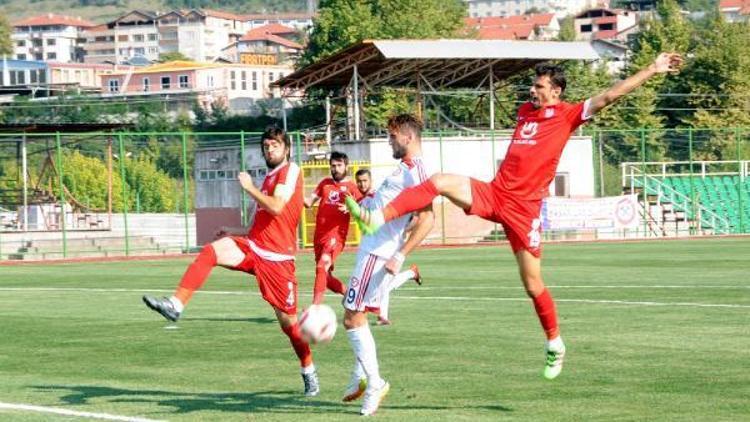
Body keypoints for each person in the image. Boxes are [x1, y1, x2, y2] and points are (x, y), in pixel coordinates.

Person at [347, 53, 684, 380]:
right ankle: (377, 217)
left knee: (532, 284)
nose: (532, 91)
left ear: (556, 91)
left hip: (524, 210)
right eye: (533, 85)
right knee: (438, 182)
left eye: (539, 86)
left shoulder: (568, 115)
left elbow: (610, 95)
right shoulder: (525, 111)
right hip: (496, 193)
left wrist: (653, 69)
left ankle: (555, 342)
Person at [142, 126, 320, 396]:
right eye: (266, 146)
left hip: (278, 260)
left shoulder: (291, 170)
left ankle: (308, 370)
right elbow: (257, 224)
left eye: (274, 145)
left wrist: (248, 187)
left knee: (290, 326)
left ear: (286, 149)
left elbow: (277, 206)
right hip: (254, 247)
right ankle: (176, 305)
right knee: (211, 251)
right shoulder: (268, 178)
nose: (269, 149)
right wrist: (232, 231)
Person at [341, 114, 434, 416]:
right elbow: (392, 212)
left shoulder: (418, 171)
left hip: (377, 253)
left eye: (392, 136)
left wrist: (401, 252)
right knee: (360, 316)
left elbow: (426, 218)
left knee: (352, 317)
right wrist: (360, 207)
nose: (389, 141)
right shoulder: (404, 168)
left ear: (407, 137)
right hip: (373, 247)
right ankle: (360, 376)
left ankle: (375, 382)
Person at [352, 168, 422, 326]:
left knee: (384, 280)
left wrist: (404, 229)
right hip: (374, 246)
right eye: (359, 181)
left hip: (388, 247)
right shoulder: (361, 201)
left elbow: (415, 217)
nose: (362, 184)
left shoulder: (378, 196)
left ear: (371, 181)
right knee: (385, 281)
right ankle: (411, 274)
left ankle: (380, 314)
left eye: (365, 181)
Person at [304, 151, 361, 304]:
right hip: (319, 236)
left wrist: (351, 209)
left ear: (346, 166)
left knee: (322, 266)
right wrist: (293, 193)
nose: (335, 168)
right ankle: (354, 298)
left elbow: (363, 207)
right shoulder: (325, 183)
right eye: (333, 166)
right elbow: (309, 202)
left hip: (336, 236)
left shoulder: (352, 188)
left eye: (339, 165)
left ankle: (315, 309)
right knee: (325, 278)